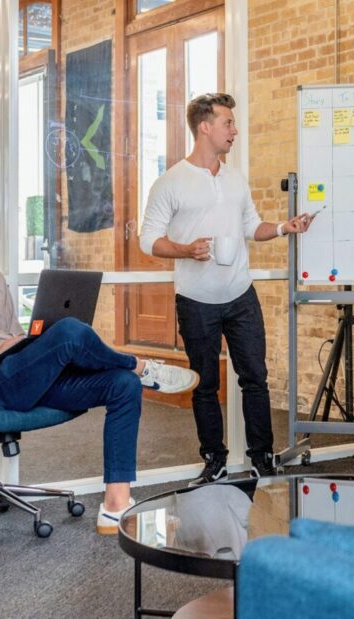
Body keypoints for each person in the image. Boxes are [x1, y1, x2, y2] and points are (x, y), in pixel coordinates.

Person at [0, 192, 199, 535]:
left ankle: (115, 505)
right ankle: (140, 367)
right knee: (70, 332)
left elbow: (12, 335)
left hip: (19, 374)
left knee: (120, 384)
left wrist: (29, 342)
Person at [139, 93, 313, 484]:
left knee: (255, 376)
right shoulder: (171, 182)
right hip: (196, 301)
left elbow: (252, 227)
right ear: (205, 126)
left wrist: (285, 227)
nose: (234, 130)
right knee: (205, 382)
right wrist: (185, 249)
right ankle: (214, 458)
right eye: (228, 123)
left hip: (240, 296)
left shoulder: (235, 179)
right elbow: (147, 240)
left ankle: (261, 456)